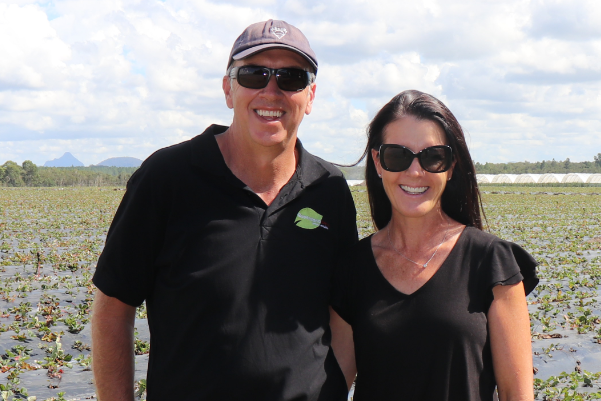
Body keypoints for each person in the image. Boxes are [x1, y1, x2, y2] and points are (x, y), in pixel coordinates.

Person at [91, 20, 357, 401]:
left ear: (310, 96)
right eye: (253, 74)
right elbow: (113, 307)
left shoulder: (328, 189)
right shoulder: (167, 178)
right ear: (228, 89)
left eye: (291, 77)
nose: (271, 90)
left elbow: (343, 315)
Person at [330, 90, 538, 401]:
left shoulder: (490, 261)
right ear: (377, 162)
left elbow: (516, 394)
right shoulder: (353, 267)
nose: (415, 171)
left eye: (433, 157)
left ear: (451, 165)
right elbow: (332, 387)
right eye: (397, 155)